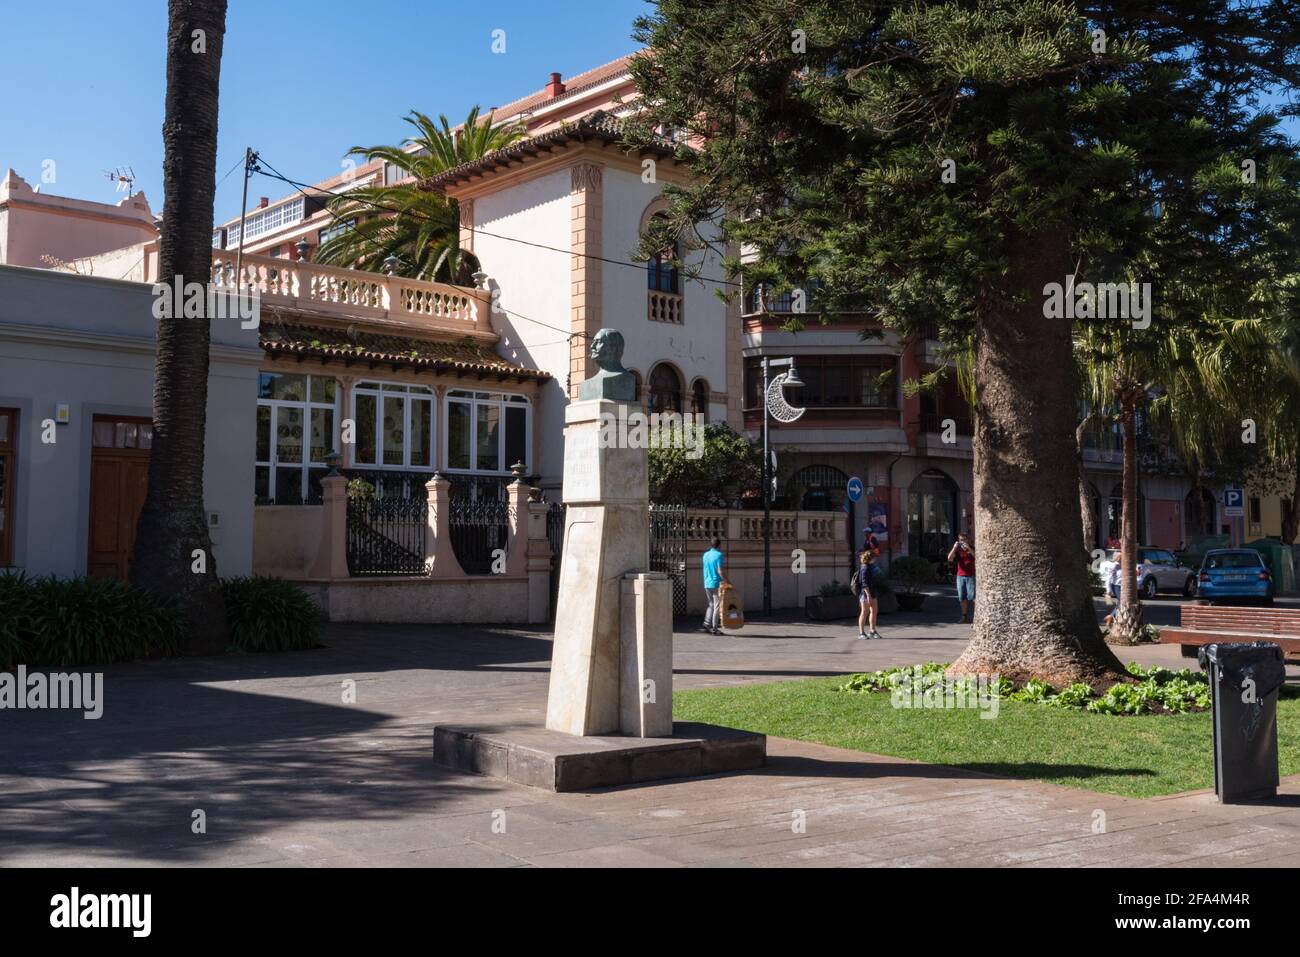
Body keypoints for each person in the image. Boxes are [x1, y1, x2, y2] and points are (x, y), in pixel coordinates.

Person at [852, 548, 881, 640]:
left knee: (874, 611)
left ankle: (872, 631)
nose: (875, 559)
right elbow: (864, 584)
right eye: (874, 558)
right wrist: (868, 595)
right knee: (864, 613)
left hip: (872, 592)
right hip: (865, 594)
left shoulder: (870, 567)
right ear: (870, 558)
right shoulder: (864, 568)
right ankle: (861, 633)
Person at [947, 533, 976, 623]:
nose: (962, 541)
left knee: (973, 597)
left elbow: (977, 556)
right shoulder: (957, 550)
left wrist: (969, 548)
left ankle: (976, 617)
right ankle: (964, 616)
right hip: (960, 576)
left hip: (971, 576)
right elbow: (949, 558)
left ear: (967, 540)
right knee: (962, 597)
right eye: (960, 540)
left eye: (964, 539)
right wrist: (954, 548)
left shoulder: (972, 548)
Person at [701, 537, 728, 636]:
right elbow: (720, 571)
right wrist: (727, 581)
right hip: (716, 583)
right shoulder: (719, 555)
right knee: (716, 606)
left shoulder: (705, 555)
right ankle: (714, 628)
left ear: (711, 545)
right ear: (719, 545)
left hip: (707, 582)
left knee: (711, 604)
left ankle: (707, 623)